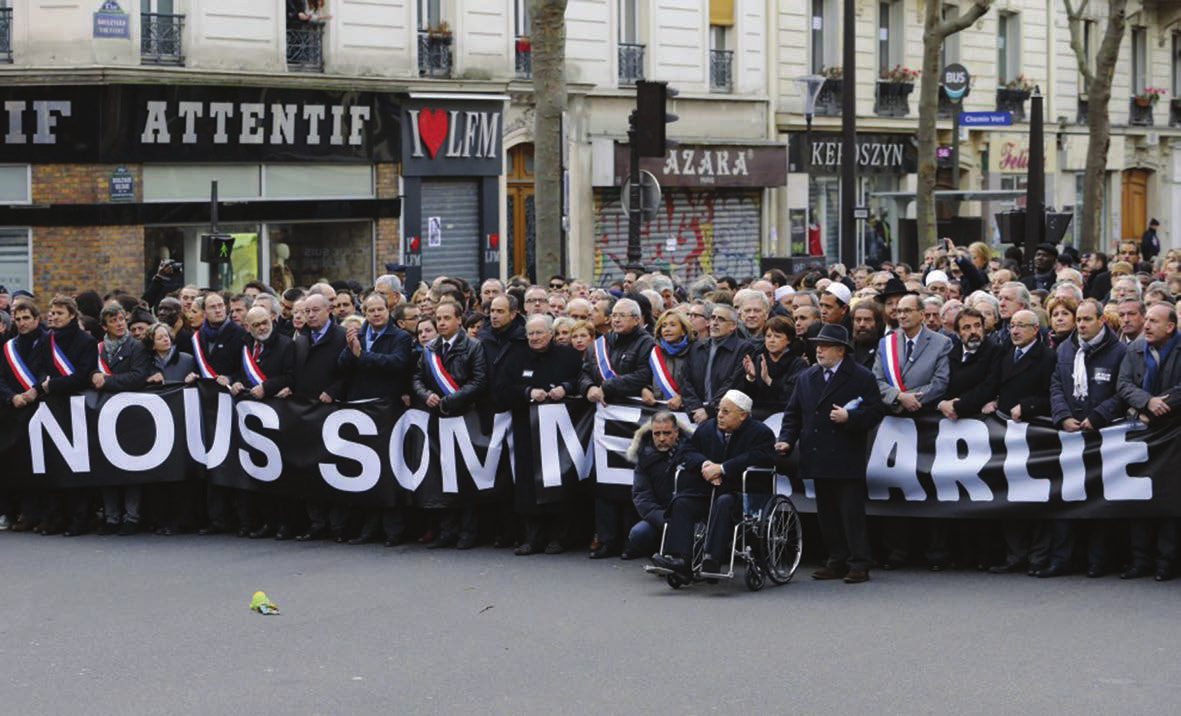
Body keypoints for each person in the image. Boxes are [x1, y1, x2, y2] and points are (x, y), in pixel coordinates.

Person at [777, 324, 885, 584]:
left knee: (851, 512)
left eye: (825, 346)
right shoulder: (807, 377)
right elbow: (793, 414)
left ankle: (859, 562)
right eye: (817, 346)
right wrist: (786, 440)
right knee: (827, 512)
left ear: (840, 350)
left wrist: (850, 417)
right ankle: (836, 559)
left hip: (846, 454)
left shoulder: (861, 376)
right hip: (817, 453)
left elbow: (875, 411)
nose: (819, 350)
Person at [650, 390, 776, 578]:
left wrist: (724, 468)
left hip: (743, 493)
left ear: (742, 415)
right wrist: (705, 465)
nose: (720, 415)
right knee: (682, 502)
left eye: (726, 412)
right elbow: (686, 451)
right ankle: (681, 560)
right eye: (719, 410)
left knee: (724, 502)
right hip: (709, 489)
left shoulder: (761, 433)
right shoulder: (707, 428)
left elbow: (760, 457)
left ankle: (713, 559)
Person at [1045, 298, 1127, 578]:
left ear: (1102, 320)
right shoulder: (1067, 348)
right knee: (1064, 498)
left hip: (1102, 435)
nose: (1080, 324)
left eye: (1087, 319)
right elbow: (1056, 384)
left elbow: (1122, 390)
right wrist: (1062, 416)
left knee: (1097, 500)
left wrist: (1099, 416)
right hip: (1070, 435)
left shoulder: (1118, 351)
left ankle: (1097, 560)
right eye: (1078, 319)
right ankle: (1061, 559)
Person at [578, 297, 654, 558]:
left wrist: (607, 387)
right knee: (606, 483)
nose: (617, 319)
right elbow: (585, 371)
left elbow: (645, 375)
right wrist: (588, 388)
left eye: (624, 315)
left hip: (634, 420)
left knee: (632, 483)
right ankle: (608, 539)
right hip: (607, 419)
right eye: (615, 315)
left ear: (637, 319)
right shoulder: (600, 345)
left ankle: (632, 541)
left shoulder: (646, 344)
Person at [983, 309, 1058, 575]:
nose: (1014, 331)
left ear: (1035, 329)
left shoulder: (1048, 358)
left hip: (1036, 435)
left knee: (1036, 497)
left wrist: (1027, 406)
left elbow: (1054, 395)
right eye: (1012, 325)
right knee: (1009, 495)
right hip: (1007, 435)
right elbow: (994, 384)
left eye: (1021, 326)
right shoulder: (1005, 354)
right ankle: (1014, 554)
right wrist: (992, 400)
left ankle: (1038, 556)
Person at [502, 314, 583, 555]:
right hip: (527, 431)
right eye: (531, 334)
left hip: (561, 432)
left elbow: (581, 379)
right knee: (528, 485)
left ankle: (559, 537)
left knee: (559, 483)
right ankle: (532, 538)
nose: (535, 338)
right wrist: (527, 391)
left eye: (539, 333)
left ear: (551, 334)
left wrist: (566, 388)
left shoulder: (567, 356)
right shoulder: (516, 358)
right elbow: (502, 390)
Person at [412, 300, 488, 549]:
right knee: (443, 477)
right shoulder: (430, 349)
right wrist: (426, 395)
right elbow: (417, 378)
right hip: (438, 418)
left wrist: (449, 400)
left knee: (466, 476)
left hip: (465, 416)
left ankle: (468, 532)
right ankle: (447, 531)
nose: (441, 322)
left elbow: (478, 381)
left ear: (459, 320)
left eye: (447, 318)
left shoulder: (473, 347)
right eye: (438, 318)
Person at [338, 294, 413, 547]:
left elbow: (398, 364)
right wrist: (351, 352)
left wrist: (363, 357)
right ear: (365, 312)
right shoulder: (358, 336)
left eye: (380, 309)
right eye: (371, 310)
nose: (376, 314)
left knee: (389, 472)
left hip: (386, 409)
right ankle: (368, 529)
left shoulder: (400, 337)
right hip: (361, 409)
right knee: (366, 473)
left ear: (388, 310)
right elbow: (343, 366)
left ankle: (394, 530)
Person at [1116, 303, 1181, 581]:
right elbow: (1123, 385)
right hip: (1141, 433)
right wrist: (1145, 403)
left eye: (1154, 321)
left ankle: (1166, 561)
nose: (1147, 325)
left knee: (1169, 500)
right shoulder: (1135, 349)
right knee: (1139, 498)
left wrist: (1159, 406)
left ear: (1170, 326)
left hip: (1173, 434)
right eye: (1148, 320)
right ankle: (1140, 559)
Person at [35, 295, 99, 536]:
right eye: (51, 312)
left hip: (77, 406)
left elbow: (83, 375)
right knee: (54, 465)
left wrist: (53, 385)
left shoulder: (86, 341)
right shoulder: (45, 340)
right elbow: (39, 368)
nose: (53, 316)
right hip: (52, 406)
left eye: (59, 312)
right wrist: (44, 384)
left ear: (72, 315)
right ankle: (56, 517)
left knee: (77, 465)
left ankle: (79, 518)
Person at [289, 293, 349, 541]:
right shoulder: (301, 339)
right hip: (305, 411)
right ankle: (316, 523)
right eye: (307, 311)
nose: (310, 315)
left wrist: (333, 391)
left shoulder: (342, 337)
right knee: (309, 469)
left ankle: (339, 526)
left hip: (331, 411)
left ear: (328, 311)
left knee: (334, 468)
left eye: (315, 310)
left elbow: (350, 371)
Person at [92, 302, 151, 536]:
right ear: (104, 325)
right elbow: (90, 372)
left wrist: (108, 381)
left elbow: (138, 376)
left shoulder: (136, 347)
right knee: (106, 466)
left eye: (121, 319)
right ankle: (111, 516)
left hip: (129, 412)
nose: (119, 324)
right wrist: (94, 376)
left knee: (130, 466)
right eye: (113, 320)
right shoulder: (97, 349)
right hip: (103, 412)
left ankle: (132, 516)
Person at [624, 411, 688, 560]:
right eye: (656, 434)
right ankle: (658, 552)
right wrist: (664, 520)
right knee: (638, 533)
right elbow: (642, 497)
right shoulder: (645, 457)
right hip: (661, 516)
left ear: (676, 432)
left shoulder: (691, 453)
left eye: (666, 433)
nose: (661, 439)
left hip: (688, 514)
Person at [680, 302, 750, 423]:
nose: (714, 323)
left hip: (726, 415)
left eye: (721, 319)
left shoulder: (743, 348)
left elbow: (734, 382)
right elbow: (685, 380)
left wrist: (710, 410)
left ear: (733, 326)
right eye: (713, 318)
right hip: (697, 414)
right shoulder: (696, 347)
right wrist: (695, 407)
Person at [740, 315, 806, 412]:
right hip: (757, 412)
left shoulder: (798, 364)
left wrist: (769, 381)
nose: (771, 340)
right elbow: (749, 397)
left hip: (784, 413)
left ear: (789, 339)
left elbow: (792, 395)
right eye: (768, 336)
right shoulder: (759, 359)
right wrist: (751, 378)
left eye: (777, 336)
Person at [641, 310, 693, 409]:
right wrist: (645, 389)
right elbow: (645, 377)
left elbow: (699, 384)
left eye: (672, 325)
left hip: (684, 412)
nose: (667, 329)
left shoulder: (694, 352)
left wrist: (683, 397)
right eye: (664, 326)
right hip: (658, 411)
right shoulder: (654, 353)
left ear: (683, 330)